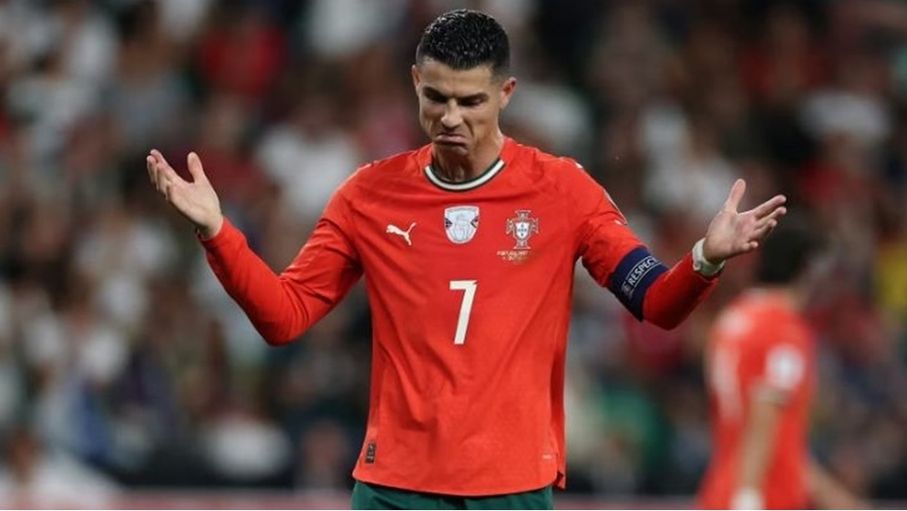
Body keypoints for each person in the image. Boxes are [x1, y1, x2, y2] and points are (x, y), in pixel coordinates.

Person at [146, 9, 786, 510]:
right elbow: (284, 316)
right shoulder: (368, 196)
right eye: (437, 98)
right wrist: (218, 233)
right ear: (415, 84)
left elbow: (656, 304)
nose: (450, 117)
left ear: (506, 93)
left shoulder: (564, 192)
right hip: (394, 488)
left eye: (471, 101)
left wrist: (705, 258)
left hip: (510, 488)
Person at [697, 218, 865, 509]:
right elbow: (764, 418)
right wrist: (748, 498)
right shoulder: (783, 331)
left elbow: (777, 443)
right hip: (765, 498)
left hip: (721, 491)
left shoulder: (731, 321)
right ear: (808, 270)